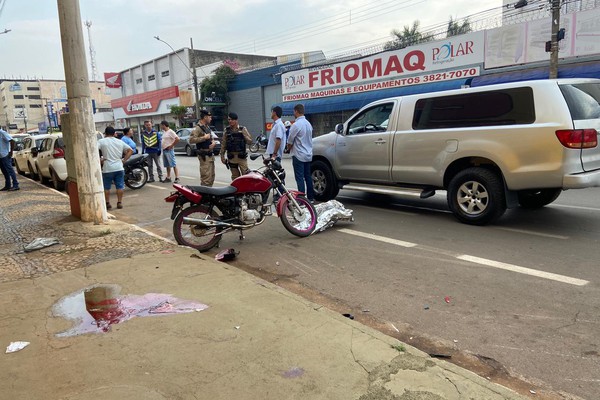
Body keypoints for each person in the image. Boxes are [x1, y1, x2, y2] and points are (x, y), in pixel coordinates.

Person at [98, 126, 133, 210]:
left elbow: (93, 150)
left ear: (105, 134)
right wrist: (124, 160)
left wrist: (100, 160)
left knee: (107, 187)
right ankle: (119, 202)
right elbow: (130, 150)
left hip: (107, 168)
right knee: (120, 186)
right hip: (119, 167)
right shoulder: (119, 141)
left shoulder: (101, 141)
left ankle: (107, 203)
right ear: (114, 133)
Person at [285, 104, 315, 202]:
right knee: (308, 177)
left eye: (294, 112)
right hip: (308, 154)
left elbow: (290, 140)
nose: (294, 113)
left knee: (299, 178)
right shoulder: (308, 124)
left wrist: (288, 148)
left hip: (298, 155)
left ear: (296, 111)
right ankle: (310, 198)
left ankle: (301, 200)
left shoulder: (296, 125)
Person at [220, 112, 252, 180]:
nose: (230, 121)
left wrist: (244, 135)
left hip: (241, 158)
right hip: (232, 158)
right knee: (235, 178)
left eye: (231, 119)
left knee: (246, 177)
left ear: (236, 120)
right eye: (229, 119)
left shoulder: (243, 129)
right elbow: (223, 144)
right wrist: (222, 156)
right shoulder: (227, 130)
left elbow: (250, 142)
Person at [189, 110, 217, 186]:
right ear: (205, 117)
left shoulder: (207, 127)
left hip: (210, 156)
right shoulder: (198, 128)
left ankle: (209, 194)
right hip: (204, 156)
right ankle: (205, 196)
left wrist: (213, 143)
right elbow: (191, 140)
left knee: (211, 177)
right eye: (209, 117)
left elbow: (211, 138)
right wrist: (203, 138)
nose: (211, 119)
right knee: (206, 179)